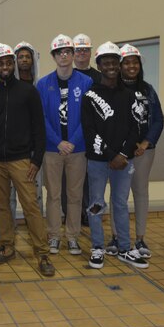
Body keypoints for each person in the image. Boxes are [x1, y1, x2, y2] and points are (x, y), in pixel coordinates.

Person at [0, 43, 55, 277]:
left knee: (31, 206)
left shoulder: (29, 92)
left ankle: (42, 253)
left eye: (9, 62)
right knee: (1, 206)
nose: (5, 66)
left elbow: (39, 129)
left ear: (13, 64)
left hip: (22, 161)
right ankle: (7, 246)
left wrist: (36, 160)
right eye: (0, 63)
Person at [81, 42, 148, 270]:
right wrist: (111, 154)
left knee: (120, 203)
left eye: (113, 62)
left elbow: (135, 128)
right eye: (105, 62)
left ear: (118, 66)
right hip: (98, 159)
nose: (110, 66)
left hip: (123, 160)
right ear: (98, 66)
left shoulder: (129, 95)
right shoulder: (90, 95)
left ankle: (124, 248)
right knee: (96, 204)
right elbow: (89, 130)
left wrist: (122, 154)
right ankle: (97, 248)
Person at [36, 35, 93, 256]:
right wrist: (58, 141)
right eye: (59, 52)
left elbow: (88, 118)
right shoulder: (43, 84)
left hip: (77, 150)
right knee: (53, 195)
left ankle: (72, 237)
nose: (64, 55)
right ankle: (54, 236)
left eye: (68, 51)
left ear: (72, 54)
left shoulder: (85, 82)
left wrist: (73, 142)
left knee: (75, 194)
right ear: (53, 56)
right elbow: (41, 118)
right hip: (52, 149)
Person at [106, 44, 164, 259]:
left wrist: (146, 142)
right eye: (127, 62)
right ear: (120, 66)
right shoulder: (112, 88)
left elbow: (158, 119)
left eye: (135, 62)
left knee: (140, 193)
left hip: (143, 152)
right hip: (120, 152)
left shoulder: (148, 89)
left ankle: (139, 238)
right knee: (117, 196)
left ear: (140, 65)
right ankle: (115, 236)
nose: (131, 66)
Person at [11, 41, 44, 221]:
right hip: (12, 151)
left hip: (33, 150)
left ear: (33, 60)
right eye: (20, 57)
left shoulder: (40, 85)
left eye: (27, 57)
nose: (24, 60)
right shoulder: (7, 85)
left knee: (35, 195)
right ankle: (9, 236)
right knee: (10, 197)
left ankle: (38, 231)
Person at [73, 33, 100, 226]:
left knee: (94, 181)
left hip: (96, 139)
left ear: (90, 52)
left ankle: (93, 216)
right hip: (74, 140)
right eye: (78, 50)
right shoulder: (67, 76)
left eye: (85, 49)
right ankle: (78, 215)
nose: (81, 53)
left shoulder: (99, 78)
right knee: (76, 183)